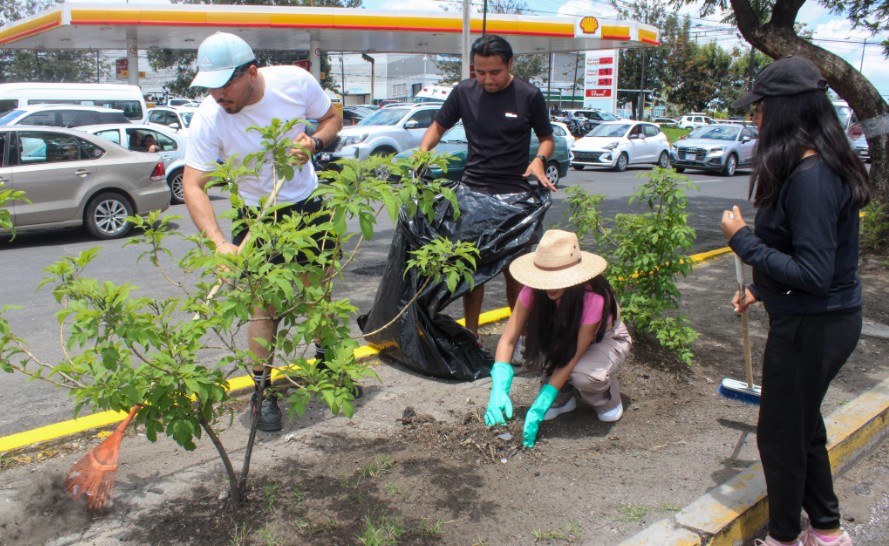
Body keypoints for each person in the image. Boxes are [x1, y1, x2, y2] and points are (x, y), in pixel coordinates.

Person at [720, 56, 870, 546]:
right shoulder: (811, 169)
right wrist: (761, 288)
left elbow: (813, 274)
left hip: (815, 325)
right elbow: (808, 257)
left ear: (786, 111)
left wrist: (742, 240)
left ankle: (783, 537)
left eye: (760, 108)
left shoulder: (812, 177)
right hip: (813, 319)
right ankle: (826, 532)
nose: (755, 118)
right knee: (802, 428)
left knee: (781, 436)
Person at [183, 32, 343, 433]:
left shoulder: (295, 82)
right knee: (262, 306)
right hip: (254, 214)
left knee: (317, 294)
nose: (218, 95)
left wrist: (314, 142)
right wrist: (220, 244)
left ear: (251, 73)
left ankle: (328, 368)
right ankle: (262, 391)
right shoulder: (209, 115)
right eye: (210, 86)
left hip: (305, 204)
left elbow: (332, 118)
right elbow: (193, 184)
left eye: (225, 85)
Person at [417, 34, 556, 337]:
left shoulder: (529, 95)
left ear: (510, 64)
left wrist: (539, 160)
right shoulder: (464, 92)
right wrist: (422, 152)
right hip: (473, 194)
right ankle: (472, 335)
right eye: (480, 72)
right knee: (471, 273)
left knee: (516, 274)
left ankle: (519, 338)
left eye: (495, 72)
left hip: (516, 198)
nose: (487, 79)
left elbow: (547, 138)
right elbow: (438, 126)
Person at [484, 229, 631, 448]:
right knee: (529, 349)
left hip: (603, 340)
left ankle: (606, 400)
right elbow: (508, 339)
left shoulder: (592, 298)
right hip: (564, 337)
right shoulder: (532, 291)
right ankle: (563, 397)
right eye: (546, 278)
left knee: (584, 375)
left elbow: (573, 355)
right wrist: (499, 387)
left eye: (556, 279)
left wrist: (540, 405)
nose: (550, 286)